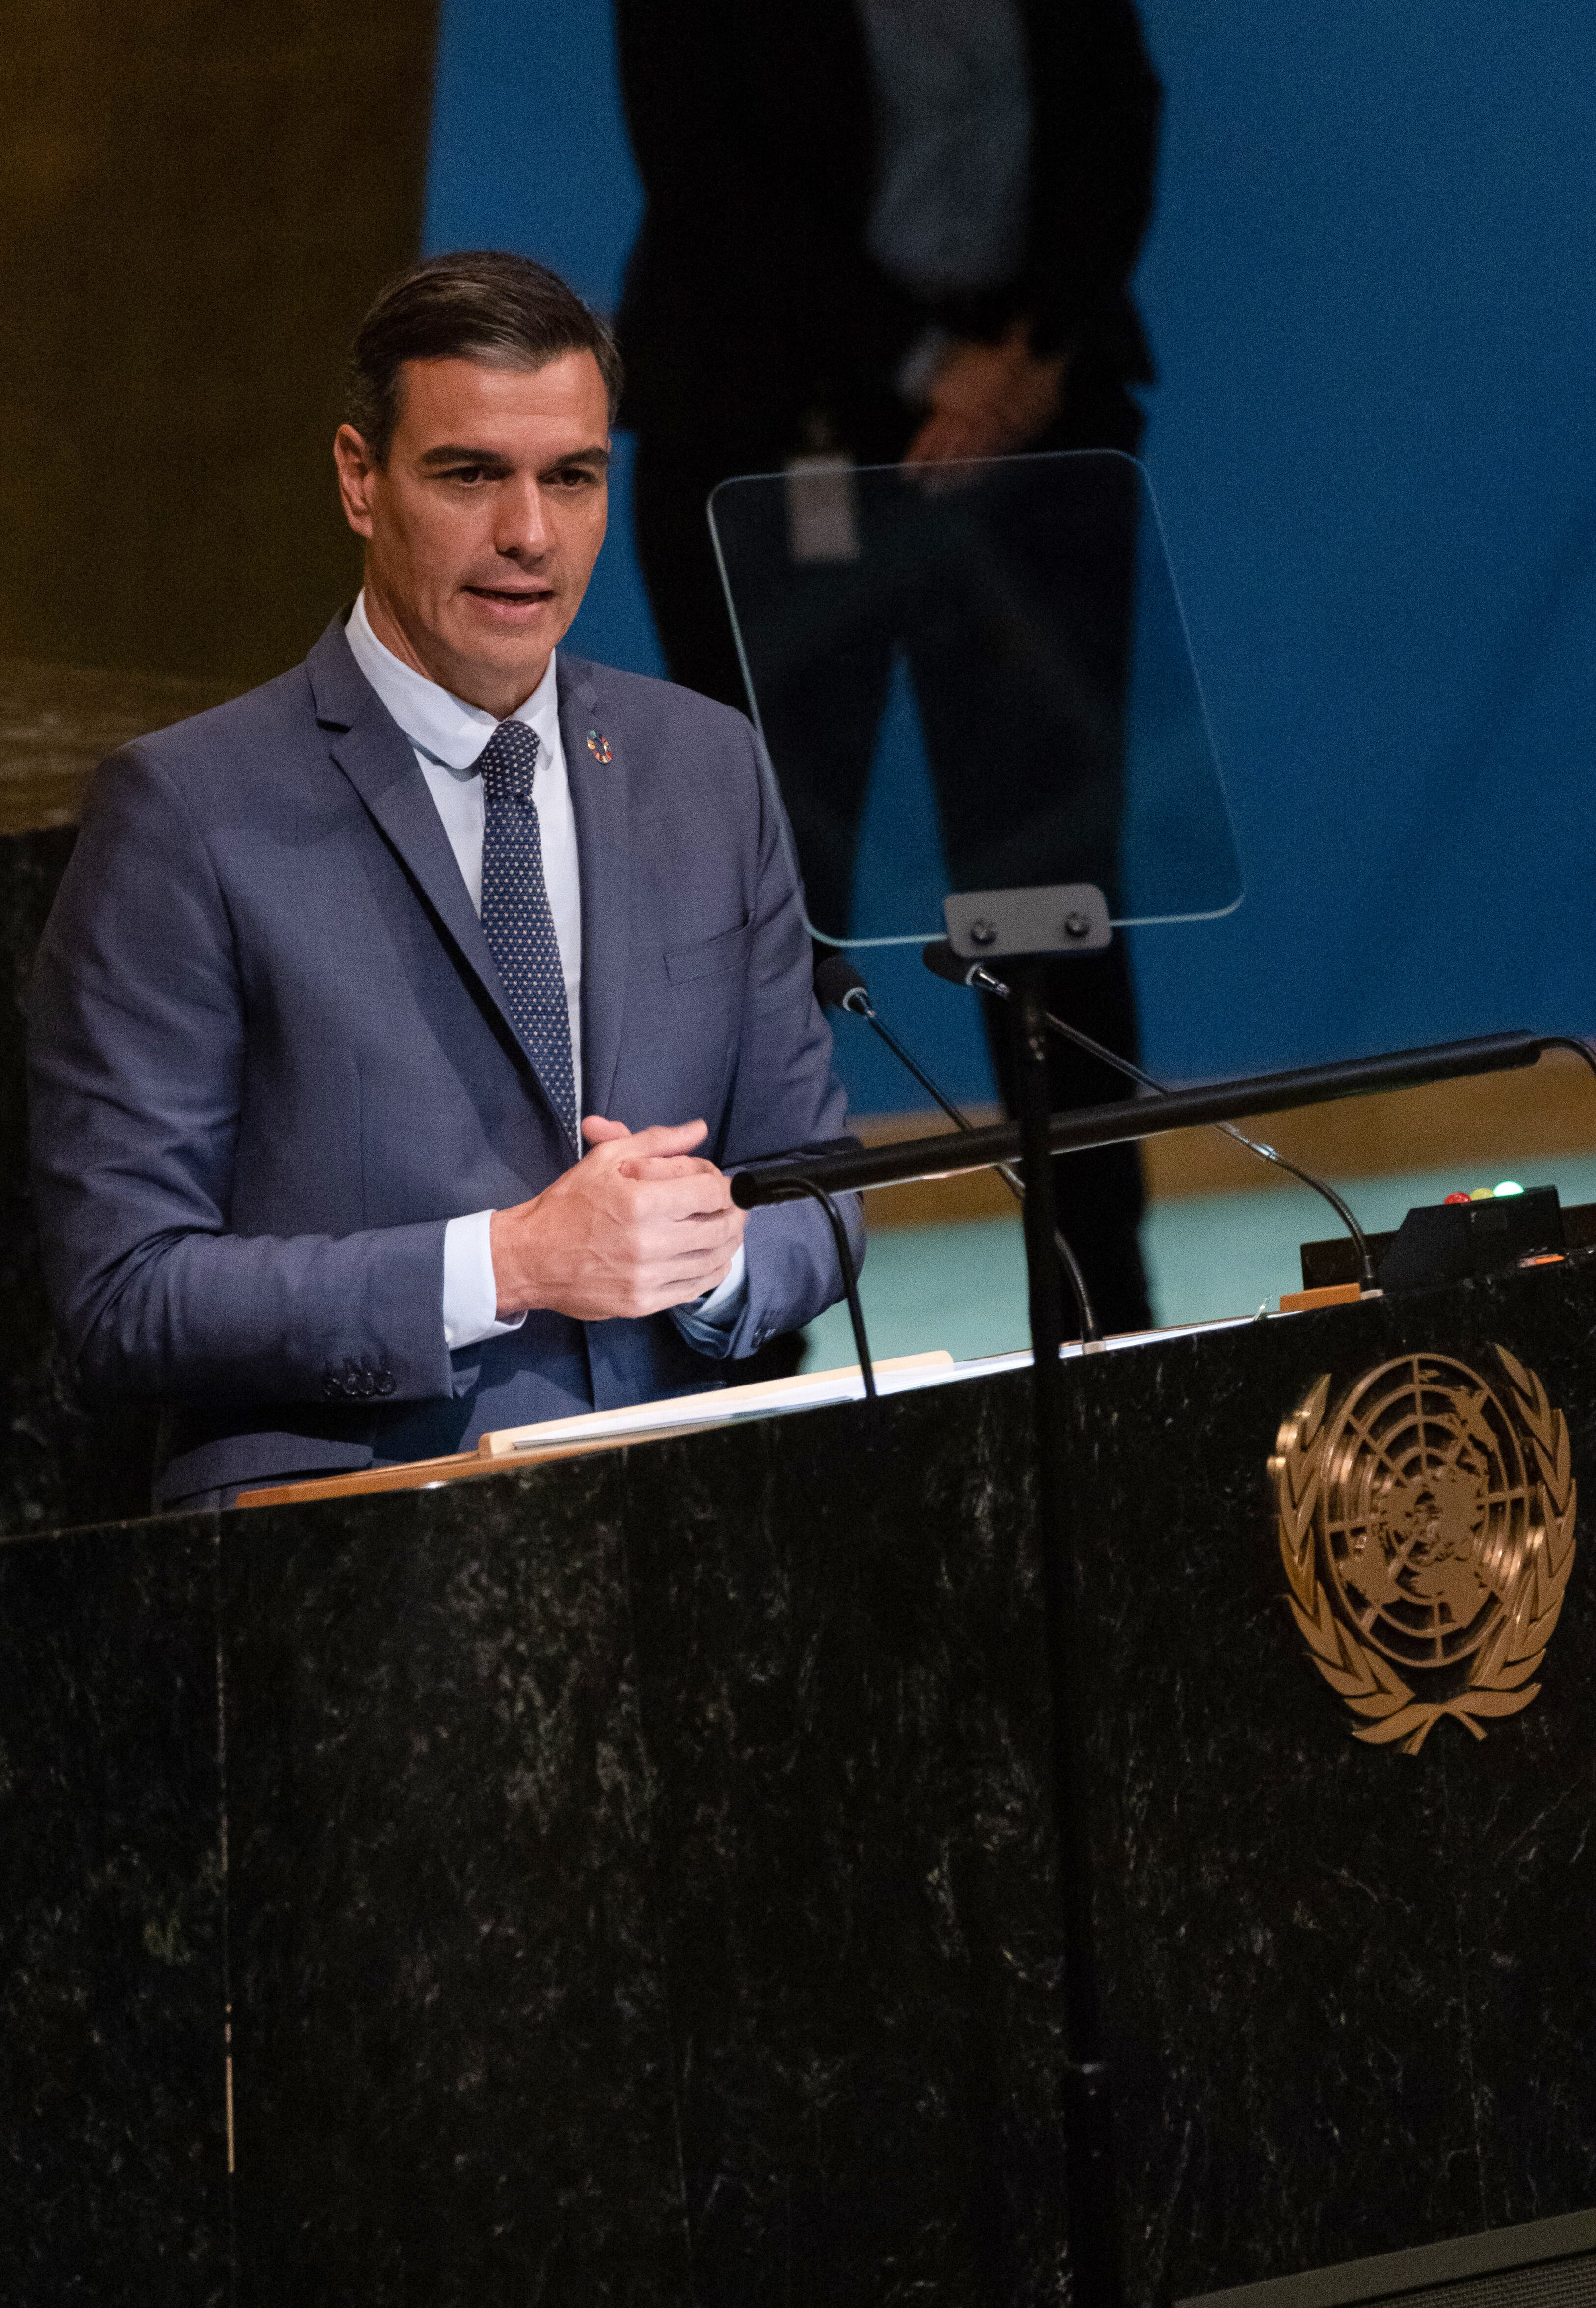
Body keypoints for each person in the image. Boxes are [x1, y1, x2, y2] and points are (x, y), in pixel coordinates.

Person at [27, 251, 861, 1511]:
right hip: (347, 1547)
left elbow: (822, 1189)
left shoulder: (709, 767)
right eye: (472, 474)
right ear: (361, 479)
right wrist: (511, 1262)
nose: (528, 534)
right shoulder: (187, 810)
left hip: (686, 1522)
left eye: (570, 478)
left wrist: (717, 1256)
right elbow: (126, 1288)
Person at [615, 0, 1162, 1337]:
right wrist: (933, 366)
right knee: (756, 906)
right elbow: (710, 182)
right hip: (768, 435)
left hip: (1033, 432)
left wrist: (1029, 353)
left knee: (1051, 895)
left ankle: (1102, 1317)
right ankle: (739, 1331)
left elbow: (1114, 115)